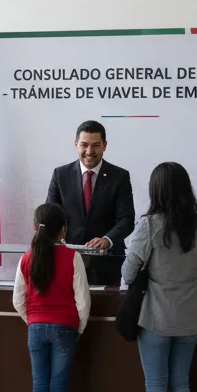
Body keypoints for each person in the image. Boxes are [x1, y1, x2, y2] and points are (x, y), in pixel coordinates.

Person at [121, 162, 197, 392]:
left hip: (156, 316)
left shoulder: (149, 226)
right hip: (191, 315)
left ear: (156, 190)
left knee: (156, 384)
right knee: (181, 382)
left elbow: (128, 273)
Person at [12, 203, 90, 392]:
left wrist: (32, 321)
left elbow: (18, 300)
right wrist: (78, 328)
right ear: (64, 229)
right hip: (65, 328)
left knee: (39, 386)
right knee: (58, 388)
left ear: (35, 227)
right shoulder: (72, 257)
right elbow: (83, 302)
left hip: (35, 328)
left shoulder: (27, 258)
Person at [45, 120, 135, 285]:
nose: (89, 151)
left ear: (105, 146)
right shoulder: (60, 175)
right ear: (75, 145)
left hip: (107, 262)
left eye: (96, 145)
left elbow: (127, 219)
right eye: (84, 145)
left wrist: (108, 239)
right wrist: (57, 238)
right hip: (67, 259)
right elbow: (50, 215)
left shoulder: (120, 176)